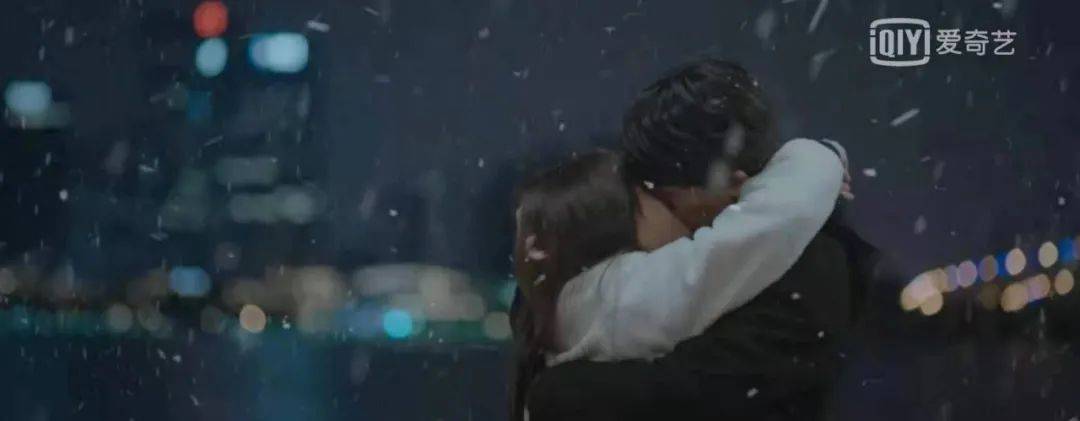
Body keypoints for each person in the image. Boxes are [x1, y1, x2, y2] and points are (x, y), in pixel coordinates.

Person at [513, 59, 879, 420]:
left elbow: (695, 391)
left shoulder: (806, 272)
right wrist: (821, 159)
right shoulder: (650, 262)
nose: (648, 205)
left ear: (733, 185)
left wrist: (559, 393)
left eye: (663, 197)